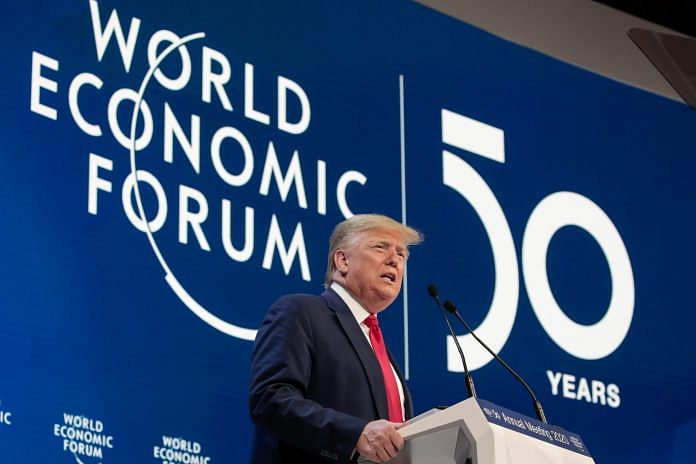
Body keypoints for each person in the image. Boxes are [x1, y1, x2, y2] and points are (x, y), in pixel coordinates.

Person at [249, 214, 423, 463]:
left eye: (402, 255)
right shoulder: (301, 312)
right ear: (342, 260)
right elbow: (270, 400)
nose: (395, 260)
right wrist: (355, 435)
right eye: (381, 247)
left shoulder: (380, 348)